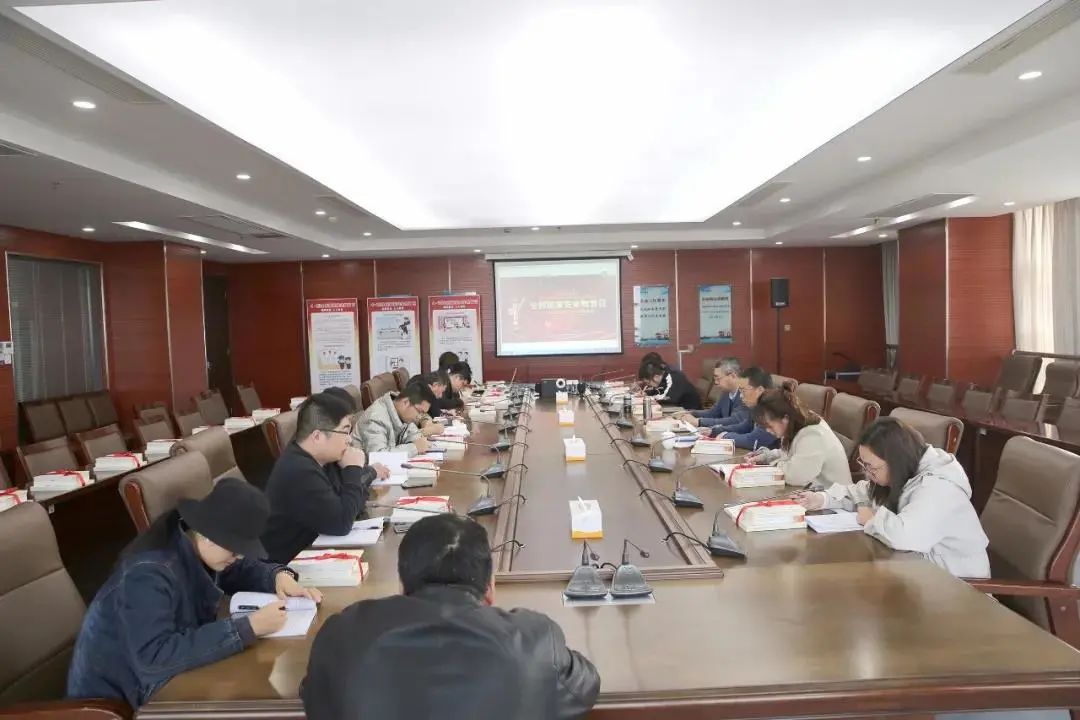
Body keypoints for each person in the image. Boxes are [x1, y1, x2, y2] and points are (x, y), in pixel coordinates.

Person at [301, 514, 601, 720]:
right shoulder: (535, 640)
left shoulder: (343, 635)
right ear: (490, 587)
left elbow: (316, 697)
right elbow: (585, 685)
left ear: (402, 584)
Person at [68, 478, 321, 708]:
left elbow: (238, 568)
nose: (238, 557)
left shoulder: (194, 544)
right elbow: (153, 658)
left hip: (164, 679)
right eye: (235, 550)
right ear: (209, 536)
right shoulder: (147, 574)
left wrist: (277, 576)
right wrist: (247, 628)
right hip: (121, 699)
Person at [794, 417, 990, 578]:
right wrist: (822, 499)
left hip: (958, 588)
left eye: (872, 467)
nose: (868, 473)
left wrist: (872, 519)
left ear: (895, 461)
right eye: (865, 465)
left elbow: (904, 536)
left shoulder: (937, 487)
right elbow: (862, 493)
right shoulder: (905, 471)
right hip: (920, 574)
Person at [262, 393, 383, 563]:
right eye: (344, 431)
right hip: (286, 566)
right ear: (317, 437)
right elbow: (341, 523)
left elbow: (354, 503)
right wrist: (353, 468)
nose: (349, 439)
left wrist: (353, 476)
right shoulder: (299, 470)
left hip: (313, 552)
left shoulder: (323, 459)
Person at [746, 382, 852, 488]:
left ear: (785, 418)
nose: (768, 430)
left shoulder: (813, 435)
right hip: (811, 491)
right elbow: (788, 454)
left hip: (833, 496)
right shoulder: (795, 423)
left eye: (770, 426)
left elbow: (794, 476)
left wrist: (771, 466)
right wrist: (766, 457)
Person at [705, 366, 778, 450]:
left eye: (743, 391)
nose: (741, 396)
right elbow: (744, 427)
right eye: (740, 391)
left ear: (760, 390)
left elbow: (752, 441)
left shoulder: (772, 411)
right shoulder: (756, 407)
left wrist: (726, 436)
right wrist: (714, 431)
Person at [354, 382, 436, 456]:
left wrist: (421, 442)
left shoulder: (403, 414)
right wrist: (414, 448)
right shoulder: (375, 418)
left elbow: (414, 436)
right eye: (419, 411)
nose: (420, 417)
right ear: (406, 402)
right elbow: (378, 456)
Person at [679, 357, 745, 429]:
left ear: (733, 376)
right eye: (714, 379)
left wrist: (699, 422)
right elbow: (713, 412)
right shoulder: (726, 392)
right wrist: (691, 413)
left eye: (718, 378)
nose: (716, 382)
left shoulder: (746, 394)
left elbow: (734, 421)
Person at [408, 372, 449, 436]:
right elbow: (436, 414)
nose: (440, 396)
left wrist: (426, 421)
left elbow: (424, 415)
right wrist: (432, 430)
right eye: (441, 392)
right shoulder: (423, 390)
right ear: (435, 385)